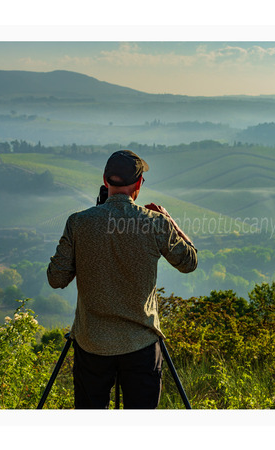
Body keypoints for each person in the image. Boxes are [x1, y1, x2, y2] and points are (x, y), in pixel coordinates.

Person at [47, 149, 198, 409]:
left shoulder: (78, 223)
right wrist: (169, 221)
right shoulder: (156, 223)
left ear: (105, 180)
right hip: (141, 344)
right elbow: (189, 262)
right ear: (139, 183)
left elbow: (56, 278)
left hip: (91, 344)